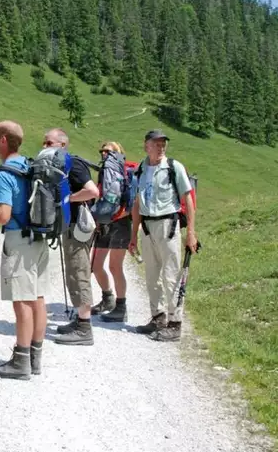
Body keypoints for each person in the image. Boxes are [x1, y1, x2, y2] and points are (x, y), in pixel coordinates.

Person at [0, 120, 48, 380]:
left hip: (18, 241)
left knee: (22, 302)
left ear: (3, 140)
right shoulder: (29, 166)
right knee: (37, 298)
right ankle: (35, 358)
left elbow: (4, 215)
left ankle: (21, 361)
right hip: (39, 237)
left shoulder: (4, 173)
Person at [129, 130, 198, 342]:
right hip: (148, 227)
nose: (161, 148)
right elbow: (136, 204)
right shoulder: (140, 170)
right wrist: (133, 236)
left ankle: (175, 323)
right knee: (151, 276)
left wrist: (191, 234)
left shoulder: (173, 167)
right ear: (146, 145)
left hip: (168, 224)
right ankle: (157, 318)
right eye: (156, 144)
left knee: (171, 275)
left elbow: (188, 200)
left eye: (163, 144)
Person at [45, 128, 100, 346]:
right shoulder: (59, 166)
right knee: (72, 272)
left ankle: (84, 328)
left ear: (63, 144)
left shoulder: (74, 164)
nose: (45, 146)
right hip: (70, 225)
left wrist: (67, 199)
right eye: (45, 142)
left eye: (49, 143)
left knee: (79, 271)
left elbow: (93, 191)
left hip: (79, 226)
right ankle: (79, 319)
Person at [91, 141, 132, 322]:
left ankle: (121, 307)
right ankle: (108, 298)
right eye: (102, 151)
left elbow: (133, 203)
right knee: (96, 265)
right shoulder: (104, 173)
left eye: (108, 151)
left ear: (118, 152)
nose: (104, 154)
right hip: (106, 223)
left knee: (115, 267)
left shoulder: (127, 173)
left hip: (121, 223)